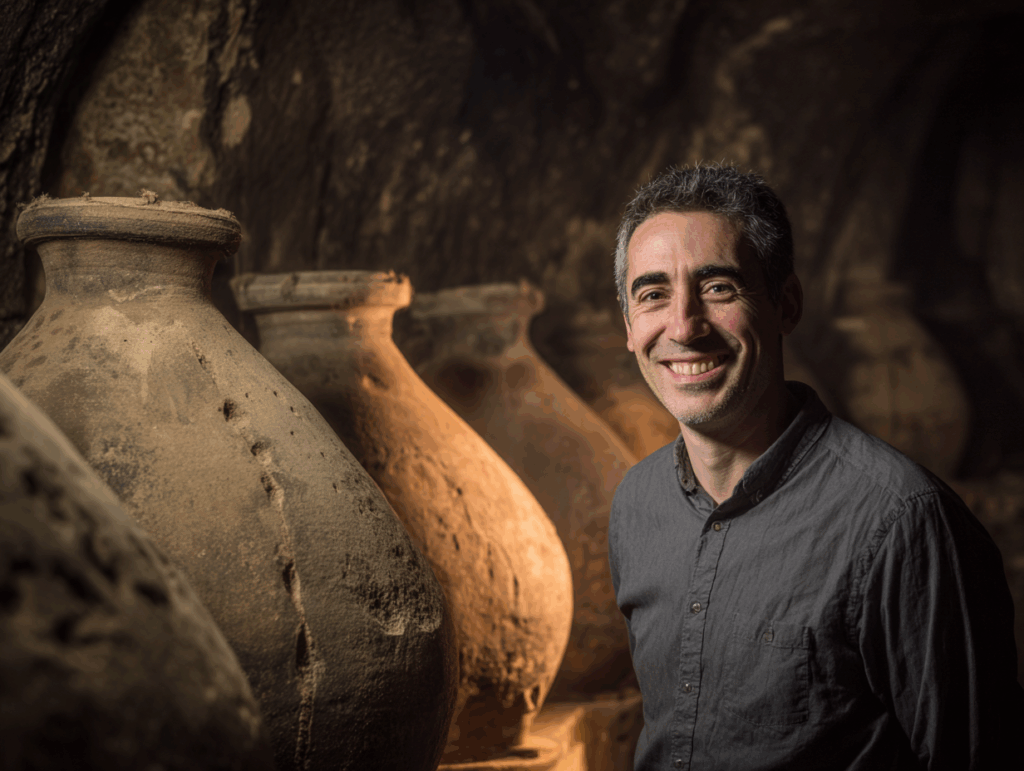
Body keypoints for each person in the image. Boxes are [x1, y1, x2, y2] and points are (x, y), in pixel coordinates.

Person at [608, 163, 1023, 770]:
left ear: (787, 305)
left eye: (719, 288)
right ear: (628, 326)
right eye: (653, 295)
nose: (683, 326)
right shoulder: (636, 505)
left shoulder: (903, 523)